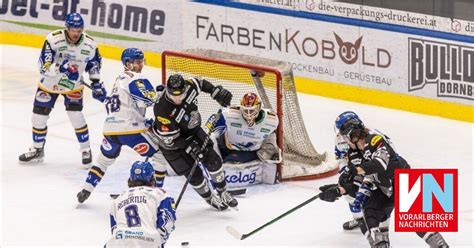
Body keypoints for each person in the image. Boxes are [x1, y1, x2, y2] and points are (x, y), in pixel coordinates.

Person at [319, 112, 449, 248]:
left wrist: (357, 170)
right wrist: (340, 189)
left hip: (400, 179)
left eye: (344, 136)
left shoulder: (375, 139)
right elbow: (358, 180)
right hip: (381, 187)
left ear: (352, 134)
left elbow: (380, 164)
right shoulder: (354, 153)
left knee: (415, 219)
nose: (343, 140)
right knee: (370, 213)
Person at [77, 48, 166, 204]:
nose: (141, 65)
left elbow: (117, 105)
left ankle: (85, 190)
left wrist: (103, 97)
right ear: (127, 63)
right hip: (131, 130)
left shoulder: (119, 80)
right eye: (138, 62)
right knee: (160, 156)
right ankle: (155, 195)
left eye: (141, 61)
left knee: (103, 161)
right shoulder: (135, 78)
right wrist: (161, 93)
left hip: (111, 131)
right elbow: (147, 100)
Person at [19, 13, 106, 167]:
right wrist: (62, 67)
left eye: (79, 30)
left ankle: (86, 149)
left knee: (76, 115)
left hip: (73, 85)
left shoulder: (90, 44)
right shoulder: (53, 39)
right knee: (38, 117)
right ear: (66, 28)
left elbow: (94, 64)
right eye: (73, 30)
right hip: (49, 83)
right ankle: (38, 150)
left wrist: (96, 82)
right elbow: (43, 67)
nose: (76, 33)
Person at [152, 74, 237, 210]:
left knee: (213, 160)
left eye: (181, 95)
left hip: (192, 131)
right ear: (167, 91)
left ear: (185, 89)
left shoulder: (190, 85)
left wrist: (215, 92)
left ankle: (223, 192)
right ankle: (209, 198)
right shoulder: (162, 109)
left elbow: (201, 83)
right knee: (195, 175)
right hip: (172, 145)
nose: (178, 98)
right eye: (174, 95)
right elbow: (171, 140)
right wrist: (190, 147)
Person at [211, 92, 280, 187]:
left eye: (251, 111)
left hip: (249, 152)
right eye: (245, 110)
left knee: (231, 162)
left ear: (259, 108)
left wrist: (270, 147)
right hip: (227, 146)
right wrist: (217, 124)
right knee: (211, 141)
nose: (248, 114)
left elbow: (271, 135)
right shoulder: (229, 114)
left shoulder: (271, 119)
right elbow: (216, 129)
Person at [105, 161, 176, 247]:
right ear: (152, 179)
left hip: (118, 242)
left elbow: (114, 229)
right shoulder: (159, 194)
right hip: (147, 242)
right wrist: (158, 242)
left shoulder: (118, 199)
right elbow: (168, 222)